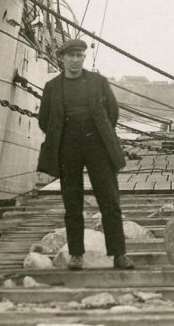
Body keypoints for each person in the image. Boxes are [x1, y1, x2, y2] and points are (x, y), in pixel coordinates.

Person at [37, 39, 133, 270]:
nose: (75, 60)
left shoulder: (98, 82)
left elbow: (112, 113)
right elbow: (44, 120)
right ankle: (76, 254)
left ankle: (119, 255)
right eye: (70, 56)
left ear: (84, 58)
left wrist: (96, 135)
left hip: (97, 146)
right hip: (67, 148)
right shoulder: (52, 87)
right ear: (62, 58)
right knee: (72, 203)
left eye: (79, 55)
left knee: (109, 201)